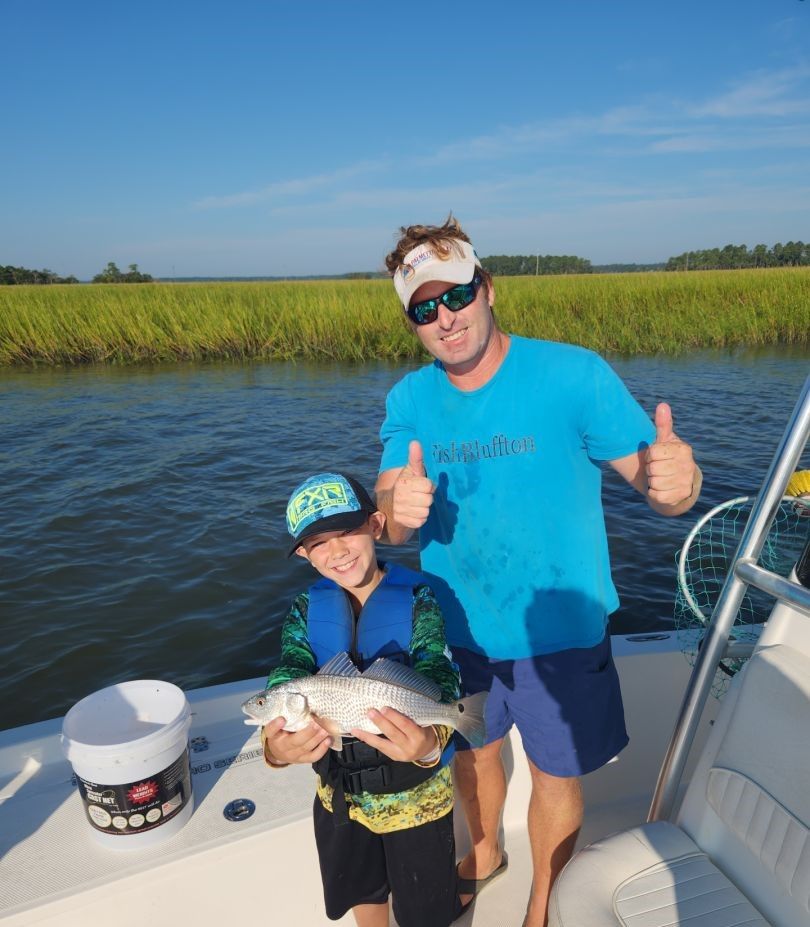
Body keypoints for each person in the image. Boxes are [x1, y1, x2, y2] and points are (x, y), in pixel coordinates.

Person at [374, 217, 702, 927]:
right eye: (424, 309)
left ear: (487, 288)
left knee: (556, 774)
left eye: (456, 295)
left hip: (561, 628)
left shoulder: (574, 374)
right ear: (412, 323)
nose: (446, 318)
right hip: (457, 627)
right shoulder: (409, 399)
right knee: (473, 752)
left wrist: (678, 482)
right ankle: (486, 850)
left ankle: (543, 905)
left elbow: (657, 479)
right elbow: (392, 512)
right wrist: (395, 507)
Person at [259, 470, 464, 927]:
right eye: (318, 543)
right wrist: (275, 748)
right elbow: (289, 671)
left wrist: (429, 746)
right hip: (338, 799)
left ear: (375, 525)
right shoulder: (304, 610)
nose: (338, 551)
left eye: (347, 531)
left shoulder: (418, 599)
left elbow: (439, 672)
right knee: (361, 893)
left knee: (426, 911)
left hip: (417, 799)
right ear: (304, 556)